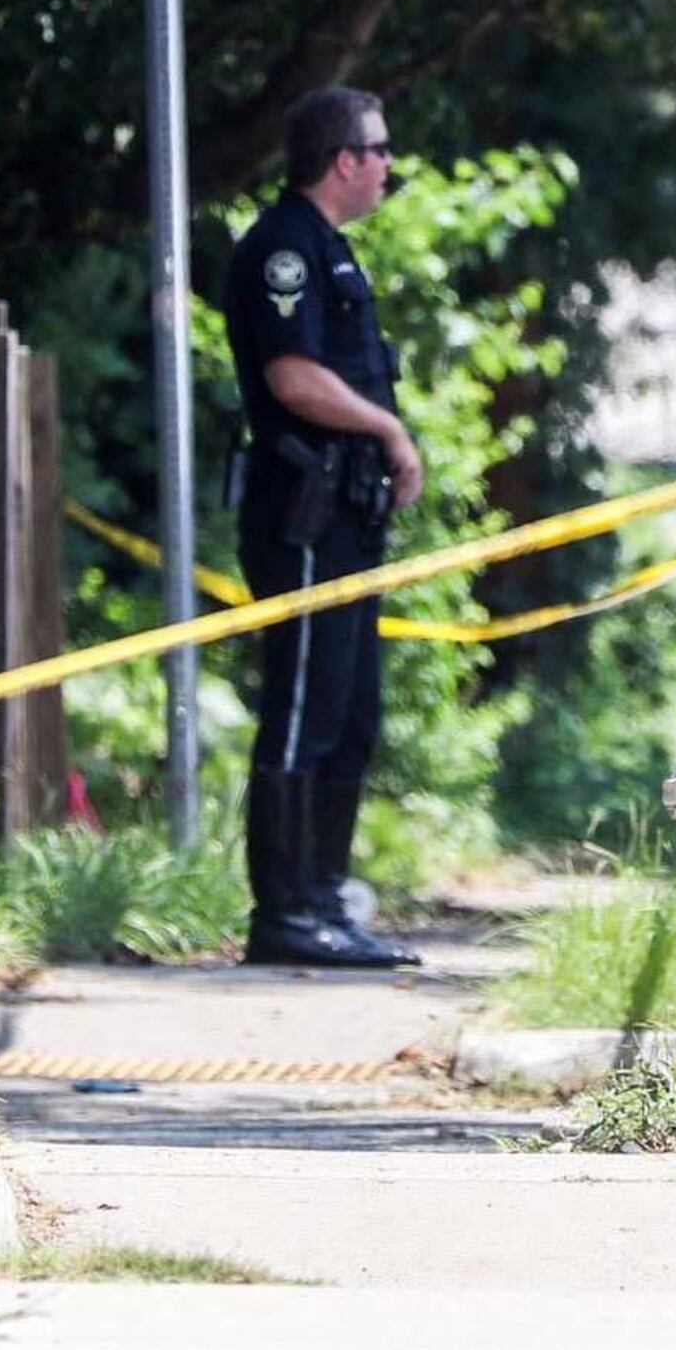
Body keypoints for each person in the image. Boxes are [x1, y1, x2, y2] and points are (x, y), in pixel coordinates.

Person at [222, 83, 427, 970]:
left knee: (351, 711)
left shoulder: (334, 250)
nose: (389, 166)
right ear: (344, 160)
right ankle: (286, 911)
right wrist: (389, 429)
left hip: (348, 516)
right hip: (301, 517)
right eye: (380, 150)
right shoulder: (284, 250)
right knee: (303, 706)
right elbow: (292, 378)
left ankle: (326, 902)